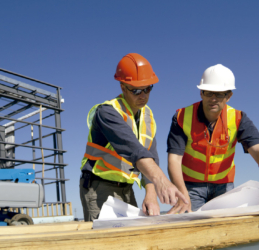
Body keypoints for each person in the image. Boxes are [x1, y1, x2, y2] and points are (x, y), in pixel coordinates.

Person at [80, 53, 187, 221]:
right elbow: (134, 150)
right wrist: (161, 181)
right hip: (98, 186)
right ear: (123, 87)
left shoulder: (148, 116)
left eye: (147, 88)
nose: (143, 95)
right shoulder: (107, 112)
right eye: (136, 90)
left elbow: (151, 154)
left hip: (126, 187)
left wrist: (151, 193)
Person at [167, 64, 259, 214]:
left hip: (224, 186)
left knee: (226, 230)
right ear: (201, 93)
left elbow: (256, 148)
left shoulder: (238, 118)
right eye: (209, 93)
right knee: (193, 229)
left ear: (229, 96)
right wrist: (182, 195)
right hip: (190, 186)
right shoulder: (182, 117)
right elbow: (174, 160)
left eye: (220, 94)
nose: (213, 99)